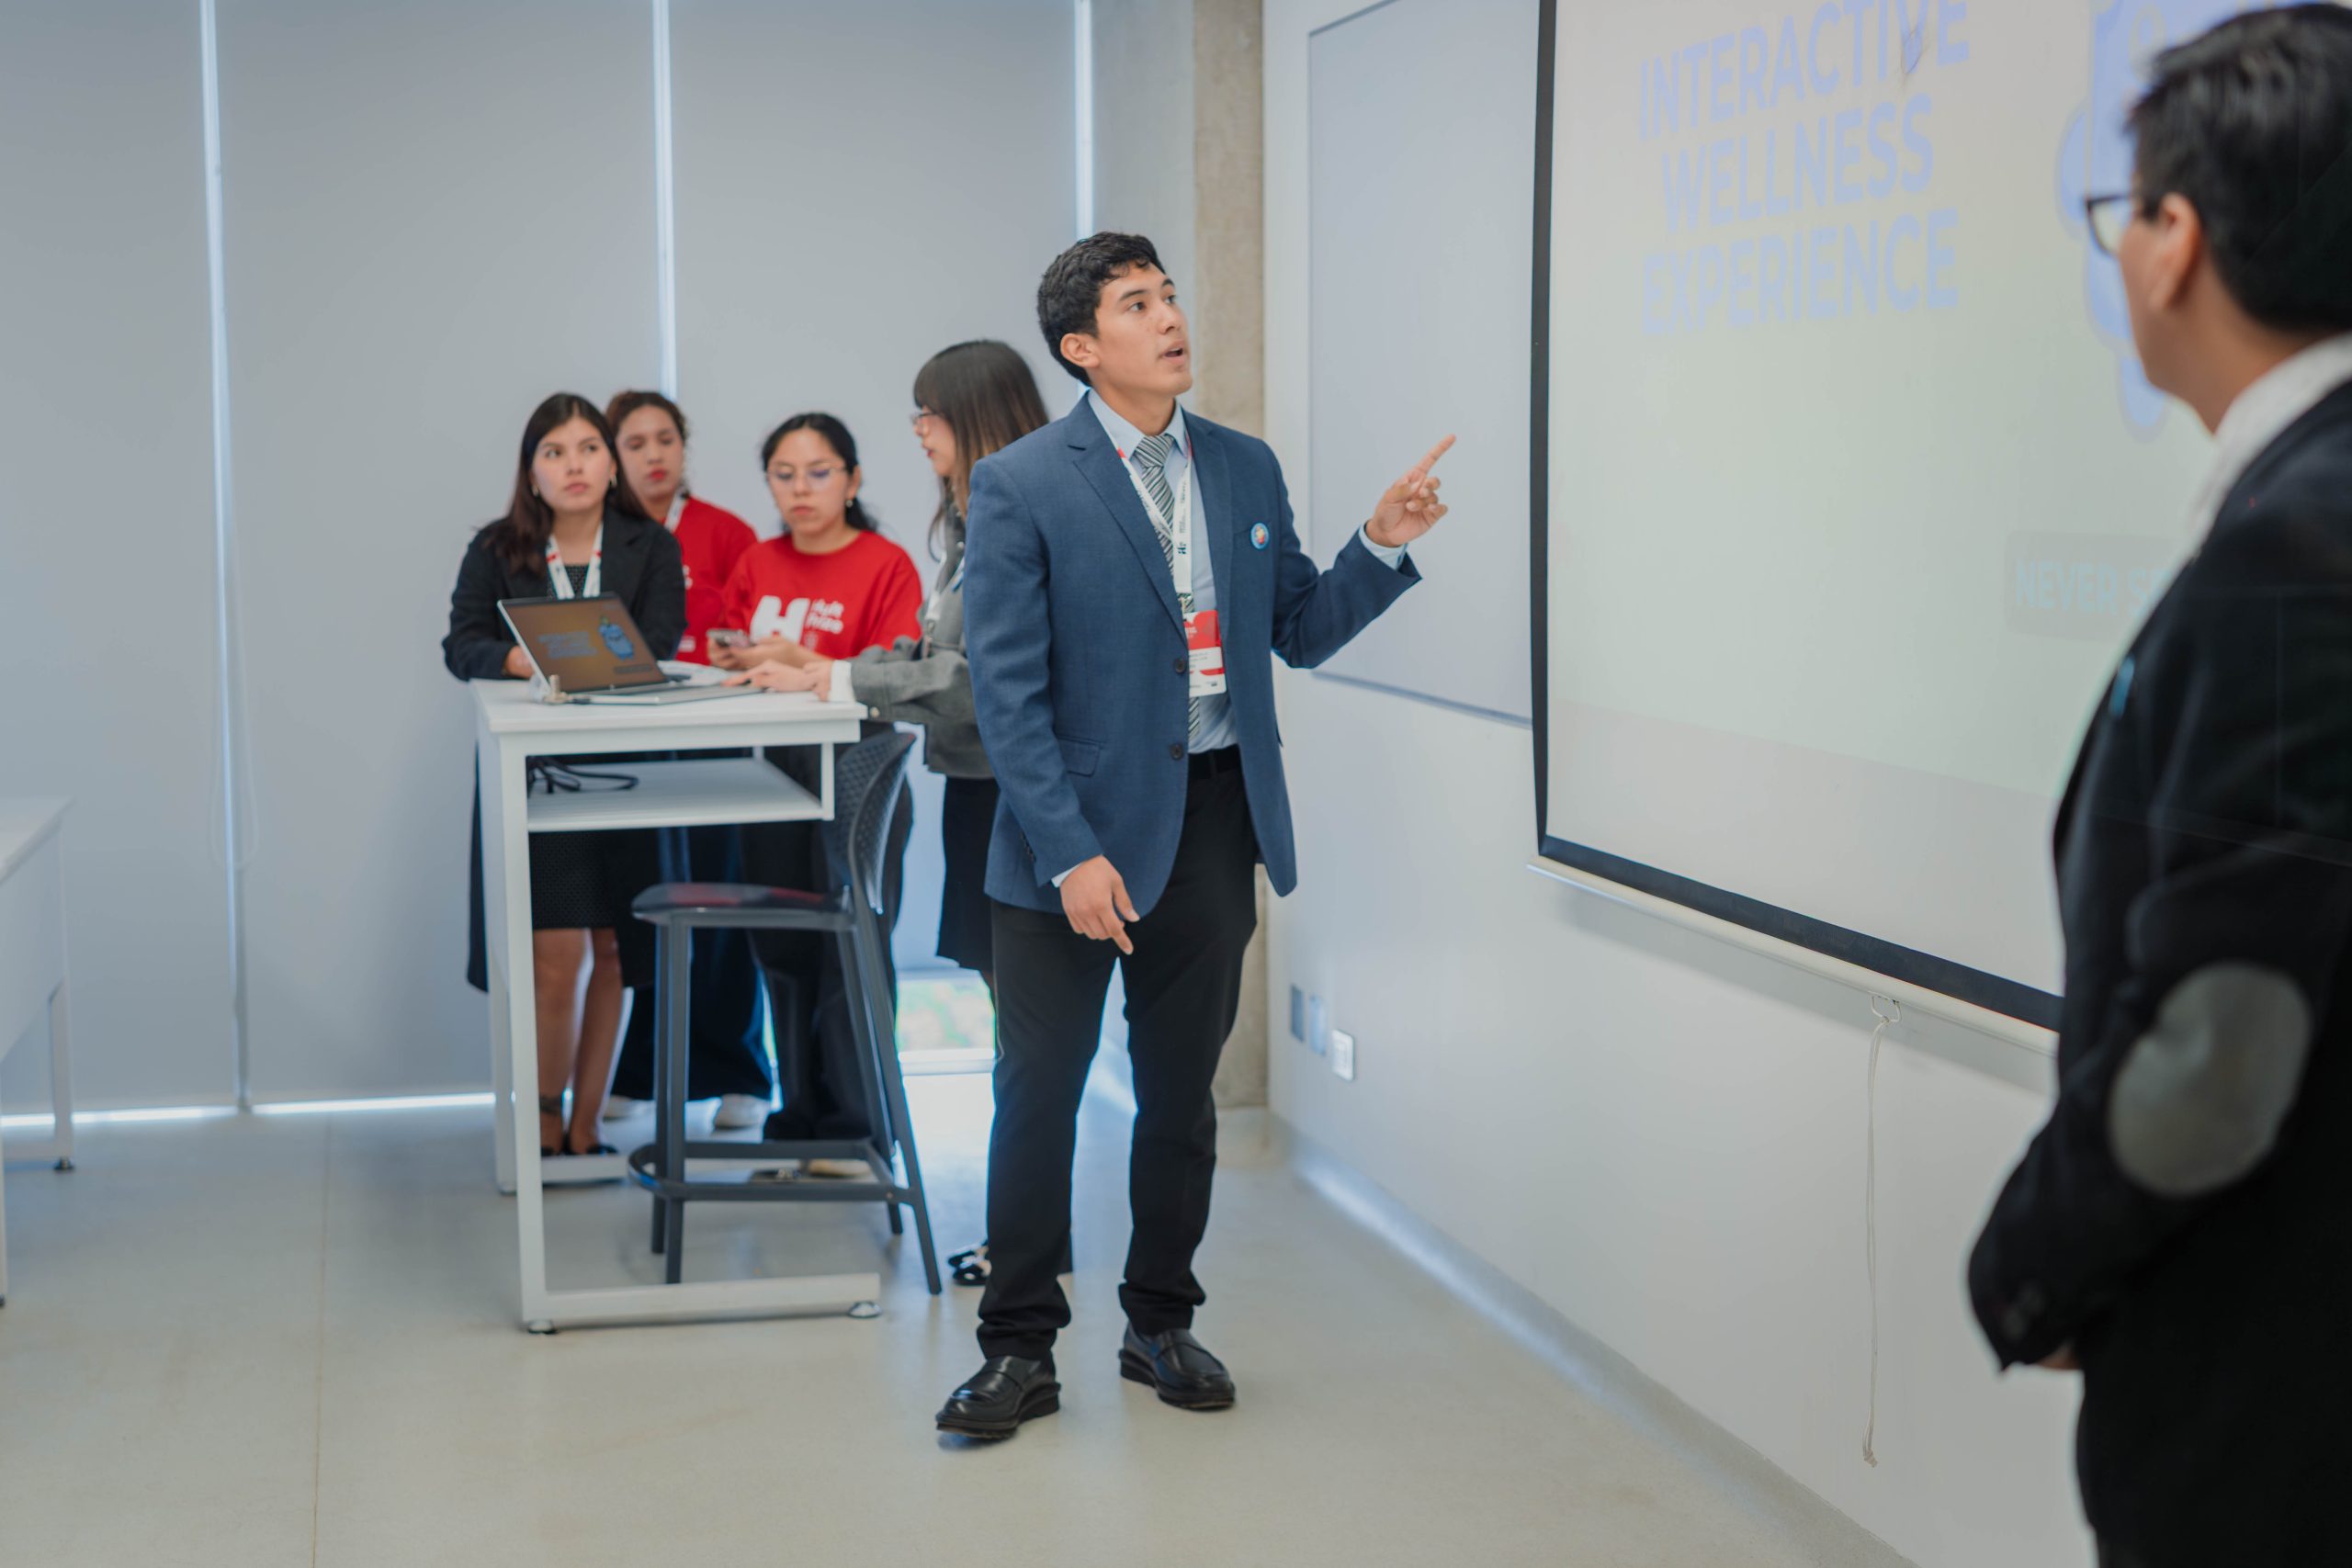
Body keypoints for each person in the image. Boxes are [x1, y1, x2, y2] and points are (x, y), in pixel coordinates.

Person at [936, 232, 1452, 1438]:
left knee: (1181, 1098)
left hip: (1215, 817)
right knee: (1039, 1096)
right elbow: (1006, 695)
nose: (1170, 316)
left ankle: (1159, 1319)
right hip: (1065, 840)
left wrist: (1381, 542)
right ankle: (1018, 1346)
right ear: (1082, 347)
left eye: (1171, 294)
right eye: (1137, 302)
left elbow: (1303, 630)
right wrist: (1069, 851)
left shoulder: (1242, 465)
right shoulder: (1022, 482)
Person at [1967, 10, 2352, 1565]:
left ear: (2174, 240)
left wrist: (2034, 1267)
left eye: (2117, 208)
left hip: (2274, 1393)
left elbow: (2224, 1041)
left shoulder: (2296, 547)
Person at [730, 342, 1050, 1281]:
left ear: (975, 417)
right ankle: (1025, 1232)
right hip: (975, 786)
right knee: (1014, 1016)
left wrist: (831, 671)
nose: (918, 430)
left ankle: (1029, 1239)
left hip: (1013, 794)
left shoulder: (1011, 514)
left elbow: (969, 677)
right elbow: (940, 649)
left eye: (929, 414)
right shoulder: (967, 520)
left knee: (1024, 1024)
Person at [442, 392, 685, 1158]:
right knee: (556, 956)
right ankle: (541, 1115)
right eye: (554, 452)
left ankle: (589, 1121)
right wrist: (517, 658)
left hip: (630, 776)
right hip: (536, 773)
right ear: (531, 470)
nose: (573, 465)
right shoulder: (498, 549)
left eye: (588, 448)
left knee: (615, 949)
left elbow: (660, 642)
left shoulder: (651, 545)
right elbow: (462, 645)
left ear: (611, 464)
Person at [714, 413, 924, 1170]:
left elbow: (895, 676)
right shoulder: (758, 562)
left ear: (854, 479)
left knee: (853, 940)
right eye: (784, 473)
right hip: (771, 766)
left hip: (861, 764)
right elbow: (726, 655)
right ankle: (797, 1113)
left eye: (820, 471)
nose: (801, 489)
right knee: (781, 939)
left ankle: (860, 1125)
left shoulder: (885, 563)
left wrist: (799, 654)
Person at [601, 389, 769, 1133]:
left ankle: (741, 1071)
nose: (654, 454)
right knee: (642, 911)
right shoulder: (597, 535)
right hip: (625, 743)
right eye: (635, 443)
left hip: (718, 737)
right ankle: (639, 1070)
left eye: (665, 438)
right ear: (612, 457)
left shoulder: (725, 533)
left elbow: (749, 631)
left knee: (724, 900)